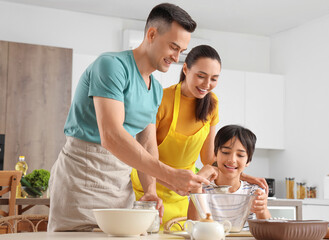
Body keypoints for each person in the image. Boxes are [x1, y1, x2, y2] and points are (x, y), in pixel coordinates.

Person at [48, 3, 210, 232]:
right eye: (173, 47)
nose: (176, 58)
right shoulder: (111, 66)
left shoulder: (154, 89)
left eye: (181, 51)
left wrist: (151, 190)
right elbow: (111, 136)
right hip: (82, 177)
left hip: (119, 184)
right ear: (152, 34)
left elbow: (146, 143)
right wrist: (170, 176)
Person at [131, 45, 268, 230]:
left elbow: (209, 159)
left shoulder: (212, 103)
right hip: (151, 184)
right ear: (186, 69)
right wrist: (150, 191)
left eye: (214, 79)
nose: (206, 84)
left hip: (186, 191)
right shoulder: (162, 99)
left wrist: (241, 175)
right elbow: (148, 152)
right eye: (201, 76)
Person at [188, 124, 271, 221]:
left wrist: (262, 210)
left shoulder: (253, 191)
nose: (232, 160)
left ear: (248, 161)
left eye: (240, 155)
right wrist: (198, 184)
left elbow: (267, 230)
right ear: (215, 154)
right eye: (225, 152)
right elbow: (194, 227)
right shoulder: (203, 189)